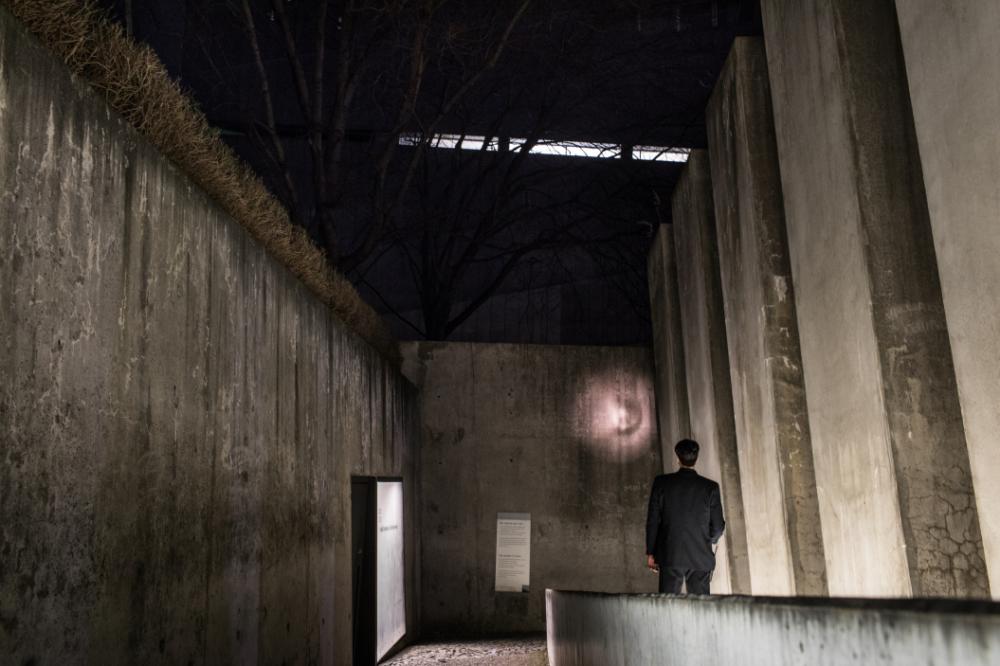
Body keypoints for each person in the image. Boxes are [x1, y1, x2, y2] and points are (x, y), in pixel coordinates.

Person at [644, 439, 725, 595]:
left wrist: (651, 552)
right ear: (696, 458)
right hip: (700, 556)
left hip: (670, 555)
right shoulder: (710, 487)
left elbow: (653, 520)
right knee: (701, 610)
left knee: (667, 606)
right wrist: (708, 539)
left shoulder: (661, 483)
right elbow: (718, 527)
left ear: (677, 458)